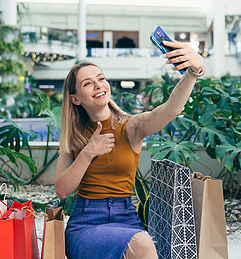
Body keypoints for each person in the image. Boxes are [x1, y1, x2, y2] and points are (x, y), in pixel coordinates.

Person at [55, 40, 205, 259]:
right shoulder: (74, 136)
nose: (98, 85)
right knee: (143, 245)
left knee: (140, 244)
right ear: (75, 99)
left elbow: (170, 109)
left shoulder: (132, 127)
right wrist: (88, 152)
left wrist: (193, 71)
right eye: (88, 83)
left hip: (126, 217)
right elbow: (62, 190)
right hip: (85, 223)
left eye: (101, 78)